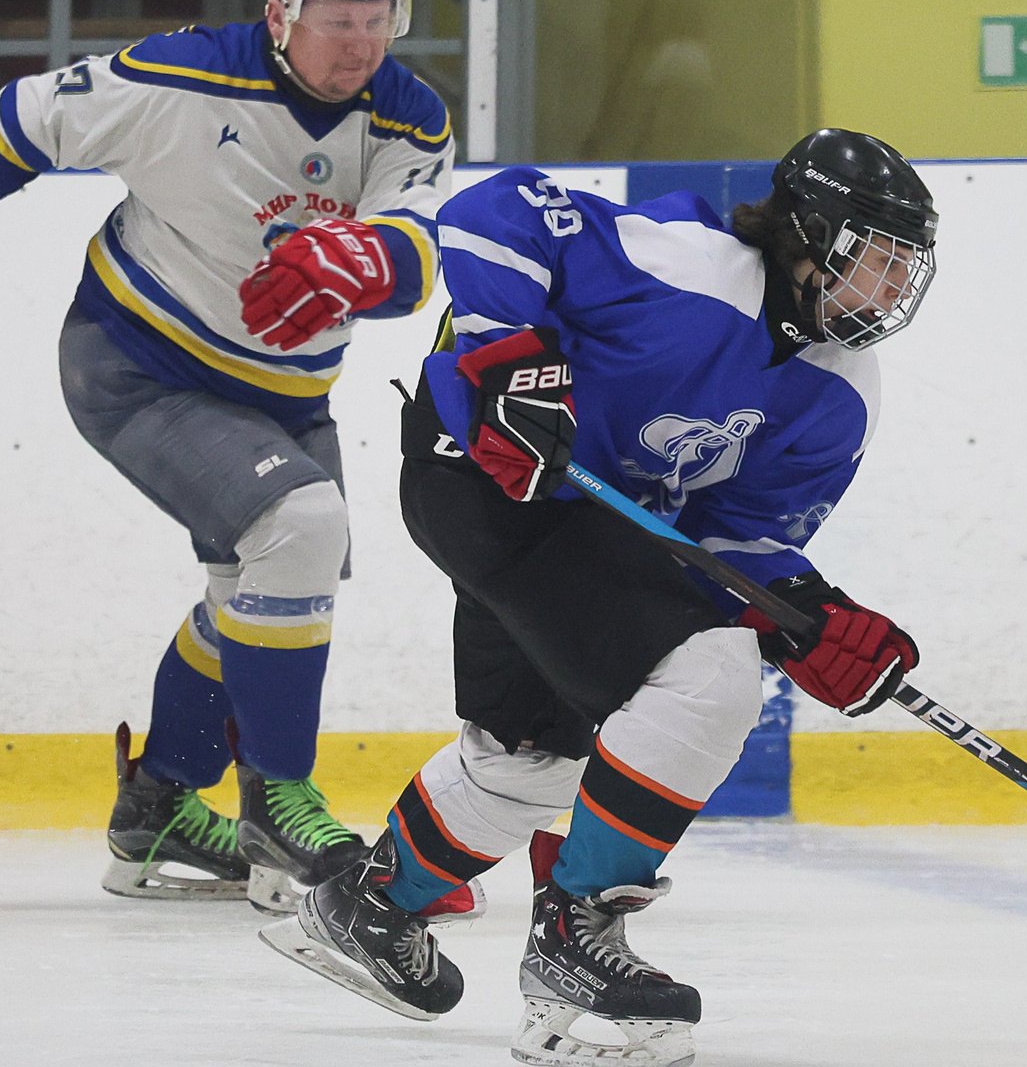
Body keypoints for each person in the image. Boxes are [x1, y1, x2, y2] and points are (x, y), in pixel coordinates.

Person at [261, 129, 935, 1065]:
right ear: (808, 238)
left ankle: (369, 905)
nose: (892, 288)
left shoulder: (843, 393)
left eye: (907, 268)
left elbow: (736, 539)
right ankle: (574, 937)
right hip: (481, 476)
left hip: (588, 525)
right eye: (877, 258)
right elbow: (492, 213)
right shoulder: (688, 266)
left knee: (531, 759)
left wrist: (808, 615)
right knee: (707, 677)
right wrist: (507, 356)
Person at [0, 0, 453, 913]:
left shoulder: (410, 115)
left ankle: (158, 804)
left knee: (260, 586)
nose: (360, 45)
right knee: (302, 528)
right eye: (336, 20)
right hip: (138, 368)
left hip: (287, 395)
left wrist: (366, 258)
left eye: (377, 19)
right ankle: (280, 802)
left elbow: (418, 248)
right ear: (279, 10)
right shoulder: (183, 78)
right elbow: (30, 116)